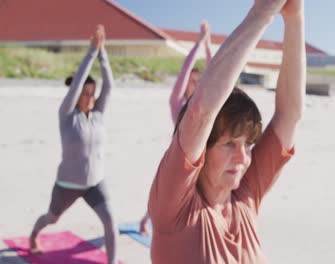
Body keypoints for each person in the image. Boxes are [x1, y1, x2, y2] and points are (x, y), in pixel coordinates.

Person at [148, 0, 305, 262]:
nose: (243, 158)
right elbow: (200, 112)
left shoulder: (245, 195)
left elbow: (290, 115)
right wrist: (263, 12)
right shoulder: (175, 208)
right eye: (229, 143)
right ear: (203, 150)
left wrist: (295, 17)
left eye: (248, 145)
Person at [29, 25, 118, 264]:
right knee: (51, 218)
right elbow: (78, 82)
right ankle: (34, 235)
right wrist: (90, 52)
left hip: (95, 184)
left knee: (110, 222)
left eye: (92, 93)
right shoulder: (67, 115)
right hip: (67, 185)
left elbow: (110, 86)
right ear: (77, 94)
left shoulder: (99, 113)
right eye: (85, 93)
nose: (89, 97)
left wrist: (103, 53)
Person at [139, 20, 213, 236]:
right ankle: (146, 220)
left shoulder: (207, 105)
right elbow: (184, 72)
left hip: (203, 161)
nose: (196, 84)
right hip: (178, 161)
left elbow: (216, 72)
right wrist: (198, 43)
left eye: (200, 81)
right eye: (193, 81)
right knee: (164, 197)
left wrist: (208, 45)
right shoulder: (178, 105)